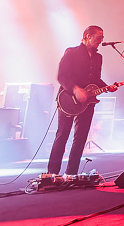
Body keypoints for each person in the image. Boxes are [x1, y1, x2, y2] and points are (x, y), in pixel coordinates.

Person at [47, 26, 109, 177]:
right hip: (68, 99)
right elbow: (62, 76)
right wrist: (75, 89)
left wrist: (108, 87)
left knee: (81, 138)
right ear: (87, 36)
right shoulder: (71, 52)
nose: (101, 40)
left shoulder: (98, 57)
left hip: (88, 102)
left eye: (102, 37)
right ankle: (52, 173)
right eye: (99, 37)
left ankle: (71, 173)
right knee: (63, 134)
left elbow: (96, 79)